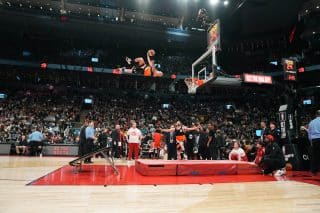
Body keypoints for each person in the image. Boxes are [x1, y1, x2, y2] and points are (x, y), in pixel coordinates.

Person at [308, 110, 320, 176]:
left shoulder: (311, 122)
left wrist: (311, 141)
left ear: (316, 115)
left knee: (314, 156)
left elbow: (309, 134)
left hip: (314, 140)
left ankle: (313, 171)